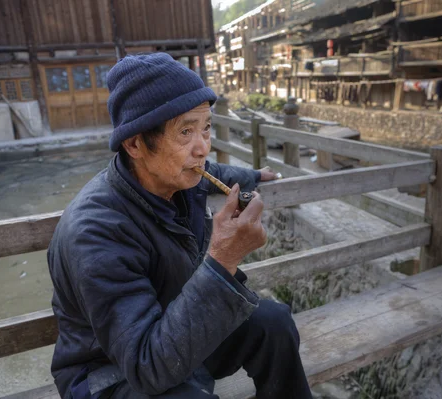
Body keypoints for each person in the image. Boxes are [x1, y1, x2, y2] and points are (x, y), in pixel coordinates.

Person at [47, 53, 312, 399]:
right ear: (135, 143)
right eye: (186, 131)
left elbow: (214, 172)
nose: (202, 147)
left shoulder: (181, 178)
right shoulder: (96, 231)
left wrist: (253, 177)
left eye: (206, 128)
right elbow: (146, 367)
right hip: (112, 371)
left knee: (274, 323)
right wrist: (221, 261)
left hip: (175, 329)